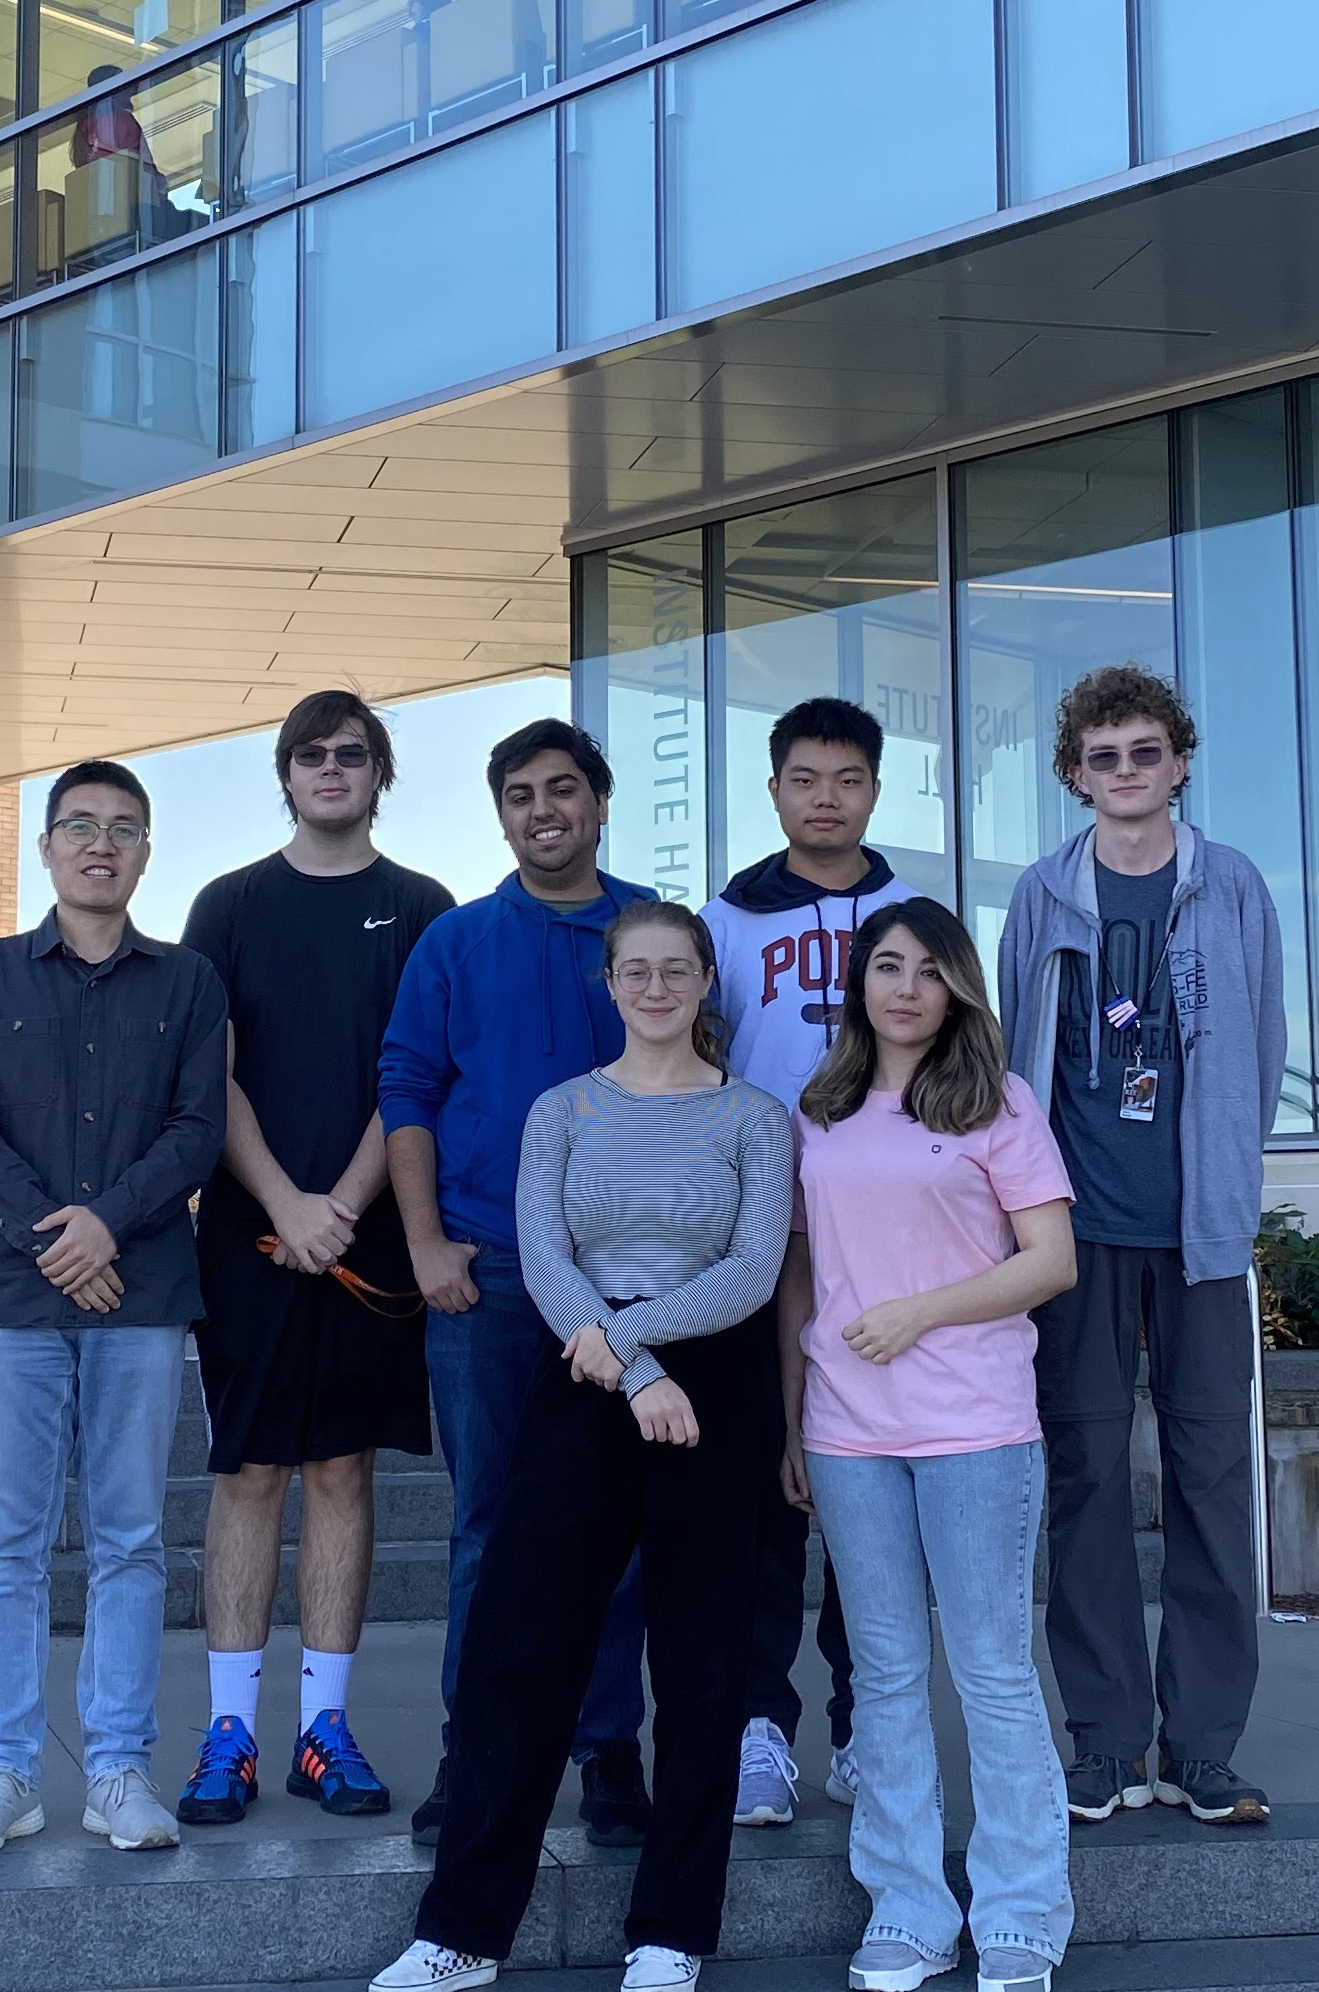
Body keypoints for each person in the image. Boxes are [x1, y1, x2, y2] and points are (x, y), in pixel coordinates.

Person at [373, 902, 791, 1992]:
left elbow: (752, 1270)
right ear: (609, 984)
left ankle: (671, 1933)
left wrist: (638, 1347)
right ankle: (461, 1929)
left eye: (676, 970)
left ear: (707, 982)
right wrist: (626, 1365)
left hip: (712, 1383)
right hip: (586, 1373)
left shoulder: (754, 1116)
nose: (655, 987)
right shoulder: (562, 1109)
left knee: (701, 1666)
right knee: (520, 1651)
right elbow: (546, 1254)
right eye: (635, 971)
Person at [997, 664, 1286, 1829]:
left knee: (1213, 1485)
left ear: (1180, 761)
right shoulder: (1040, 895)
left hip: (1202, 1238)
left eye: (1146, 751)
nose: (1126, 771)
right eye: (1104, 755)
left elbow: (1260, 1050)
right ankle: (1107, 1744)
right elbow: (1021, 1056)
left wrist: (1223, 1180)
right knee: (1085, 1485)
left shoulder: (1232, 886)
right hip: (1075, 1237)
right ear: (1075, 774)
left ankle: (1202, 1749)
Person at [0, 759, 228, 1858]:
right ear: (48, 848)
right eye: (81, 826)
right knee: (7, 1544)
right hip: (11, 1299)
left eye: (124, 829)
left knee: (131, 1541)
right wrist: (61, 1241)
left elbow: (196, 1130)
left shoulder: (188, 982)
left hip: (140, 1296)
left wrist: (107, 1225)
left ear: (145, 853)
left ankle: (116, 1770)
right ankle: (5, 1772)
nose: (102, 844)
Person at [173, 691, 456, 1828]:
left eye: (352, 754)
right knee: (248, 1478)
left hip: (370, 1236)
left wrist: (338, 1202)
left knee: (343, 1472)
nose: (331, 769)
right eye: (310, 755)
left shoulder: (424, 907)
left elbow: (414, 1077)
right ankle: (230, 1733)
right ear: (284, 776)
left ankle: (323, 1731)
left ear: (381, 773)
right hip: (248, 1236)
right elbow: (211, 1073)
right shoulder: (229, 904)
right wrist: (287, 1202)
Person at [787, 898, 1078, 1992]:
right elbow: (802, 1278)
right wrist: (792, 1420)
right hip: (849, 1433)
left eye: (926, 970)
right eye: (885, 966)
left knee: (994, 1671)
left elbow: (1050, 1260)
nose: (903, 987)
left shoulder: (996, 1105)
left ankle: (1022, 1911)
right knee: (889, 1677)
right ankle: (908, 1908)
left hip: (974, 1425)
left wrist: (921, 1313)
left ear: (958, 986)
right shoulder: (818, 1109)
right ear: (860, 981)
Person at [378, 718, 652, 1848]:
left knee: (620, 1525)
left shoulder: (649, 933)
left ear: (599, 802)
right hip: (486, 1273)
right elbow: (408, 1089)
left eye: (564, 791)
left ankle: (608, 1751)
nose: (544, 811)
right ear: (501, 813)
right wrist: (426, 1245)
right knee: (488, 1526)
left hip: (628, 1280)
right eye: (521, 795)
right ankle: (477, 1750)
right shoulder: (455, 941)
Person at [700, 696, 913, 1828]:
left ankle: (868, 1723)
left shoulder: (911, 912)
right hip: (764, 1231)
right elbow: (705, 1058)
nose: (825, 797)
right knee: (763, 1490)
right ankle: (757, 1727)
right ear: (775, 789)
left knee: (870, 1482)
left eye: (847, 778)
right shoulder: (728, 921)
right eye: (804, 778)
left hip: (888, 1232)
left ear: (875, 790)